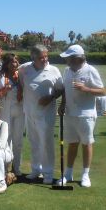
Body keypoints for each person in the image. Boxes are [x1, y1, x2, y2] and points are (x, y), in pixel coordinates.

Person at [57, 45, 106, 188]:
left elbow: (102, 91)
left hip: (86, 114)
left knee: (86, 143)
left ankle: (85, 175)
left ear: (77, 58)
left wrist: (87, 89)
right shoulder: (67, 71)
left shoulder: (91, 71)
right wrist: (62, 104)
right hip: (70, 113)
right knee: (72, 143)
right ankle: (68, 173)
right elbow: (66, 90)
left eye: (68, 58)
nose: (66, 60)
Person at [19, 44, 63, 184]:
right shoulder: (24, 68)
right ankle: (35, 170)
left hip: (46, 114)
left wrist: (50, 98)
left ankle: (48, 173)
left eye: (46, 56)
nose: (44, 60)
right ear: (33, 58)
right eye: (41, 57)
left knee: (46, 144)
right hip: (29, 112)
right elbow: (19, 81)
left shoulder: (54, 70)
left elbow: (61, 90)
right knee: (34, 142)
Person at [0, 53, 24, 176]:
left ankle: (17, 168)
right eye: (12, 61)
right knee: (6, 139)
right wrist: (4, 91)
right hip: (5, 109)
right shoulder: (0, 76)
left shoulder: (21, 75)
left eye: (16, 61)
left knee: (18, 140)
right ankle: (6, 168)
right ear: (6, 64)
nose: (14, 63)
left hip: (20, 110)